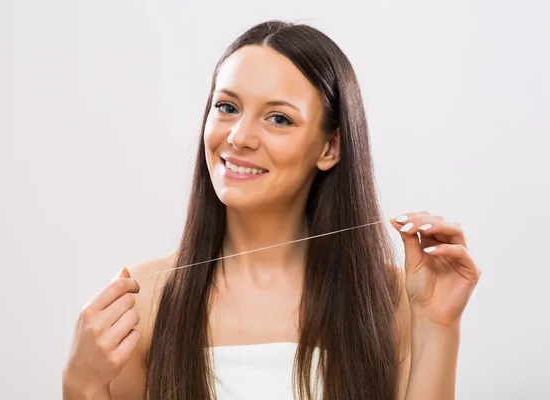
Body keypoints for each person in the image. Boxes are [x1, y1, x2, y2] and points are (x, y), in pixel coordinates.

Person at [62, 20, 481, 400]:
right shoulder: (142, 299)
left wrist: (438, 324)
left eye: (278, 118)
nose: (240, 137)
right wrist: (81, 387)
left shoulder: (392, 301)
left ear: (329, 147)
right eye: (226, 107)